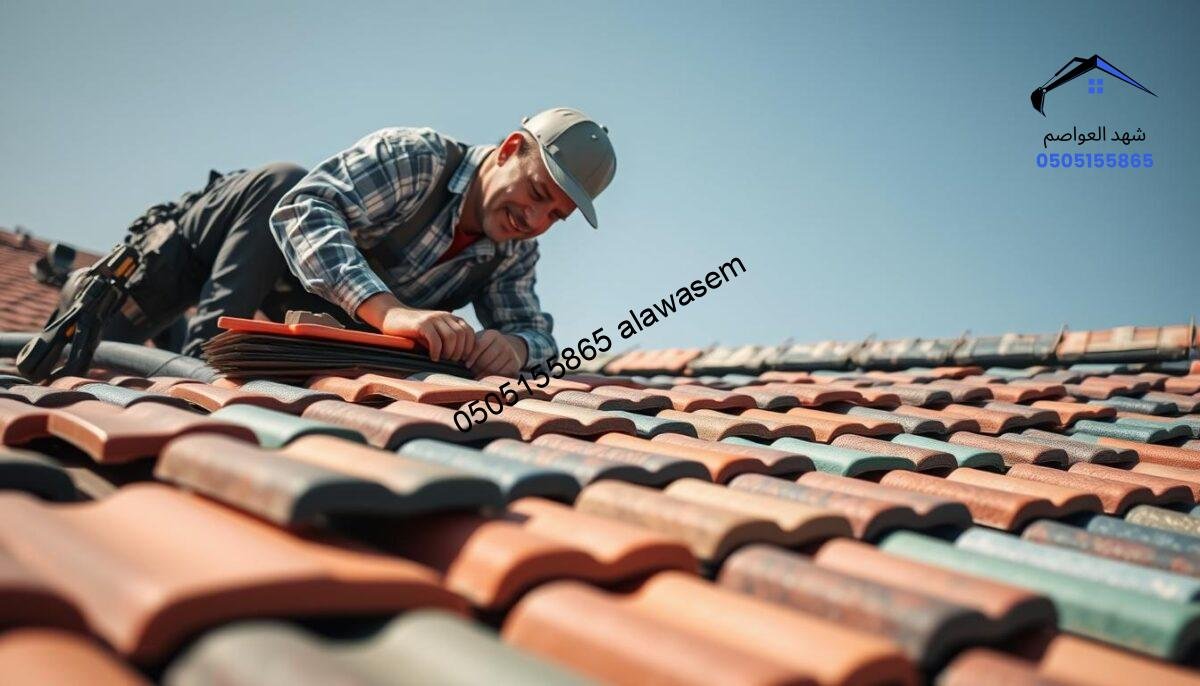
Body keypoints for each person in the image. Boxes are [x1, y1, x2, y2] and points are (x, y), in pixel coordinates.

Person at [60, 107, 617, 377]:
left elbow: (537, 334)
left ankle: (199, 349)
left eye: (555, 216)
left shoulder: (510, 252)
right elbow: (303, 210)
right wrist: (392, 313)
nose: (535, 218)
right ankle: (196, 356)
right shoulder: (418, 158)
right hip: (212, 245)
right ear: (509, 149)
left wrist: (516, 349)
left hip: (281, 311)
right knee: (282, 181)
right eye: (538, 191)